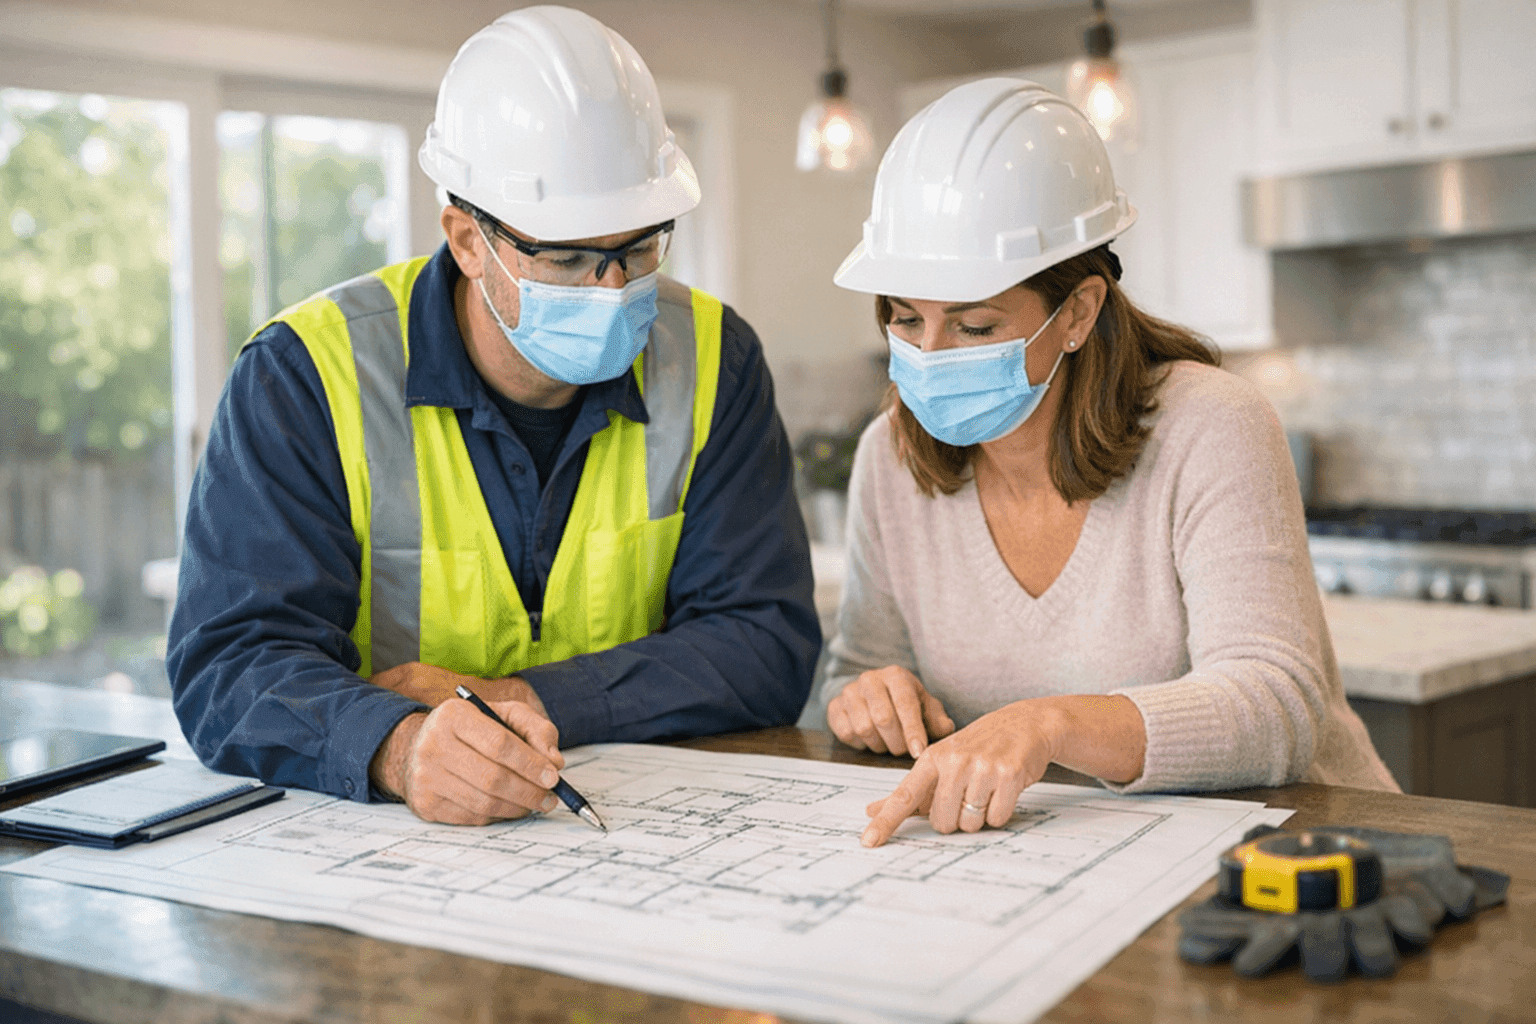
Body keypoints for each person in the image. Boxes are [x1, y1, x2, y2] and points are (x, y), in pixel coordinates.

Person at [167, 6, 818, 826]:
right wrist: (399, 747)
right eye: (572, 257)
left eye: (641, 247)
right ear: (467, 241)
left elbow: (766, 645)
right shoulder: (303, 374)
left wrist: (515, 700)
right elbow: (232, 664)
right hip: (384, 862)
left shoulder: (718, 358)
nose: (613, 289)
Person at [821, 78, 1397, 849]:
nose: (927, 356)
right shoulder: (889, 458)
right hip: (1056, 857)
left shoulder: (1212, 426)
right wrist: (863, 698)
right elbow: (856, 671)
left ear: (1080, 312)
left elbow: (1276, 709)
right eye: (904, 318)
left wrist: (1049, 723)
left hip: (1304, 853)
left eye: (975, 324)